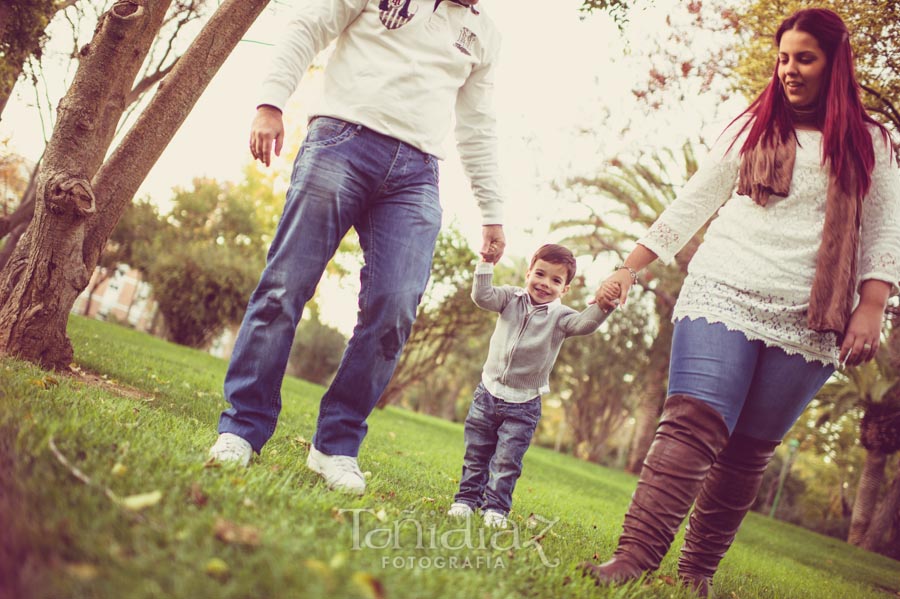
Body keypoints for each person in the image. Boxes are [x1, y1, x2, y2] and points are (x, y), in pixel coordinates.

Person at [579, 8, 900, 596]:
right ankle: (633, 557)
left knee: (749, 449)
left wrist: (872, 303)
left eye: (804, 58)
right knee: (693, 421)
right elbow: (691, 202)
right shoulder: (752, 125)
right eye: (783, 59)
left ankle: (697, 572)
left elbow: (883, 231)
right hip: (724, 286)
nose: (788, 71)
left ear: (835, 63)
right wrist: (629, 267)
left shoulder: (873, 141)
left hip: (812, 316)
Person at [208, 0, 507, 496]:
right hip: (341, 141)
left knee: (395, 306)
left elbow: (477, 124)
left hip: (417, 174)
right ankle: (242, 428)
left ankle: (335, 446)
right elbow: (308, 25)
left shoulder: (484, 34)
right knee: (285, 287)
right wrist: (270, 102)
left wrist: (492, 209)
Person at [446, 244, 618, 528]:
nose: (545, 284)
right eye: (540, 274)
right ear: (528, 272)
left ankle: (496, 510)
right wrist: (486, 263)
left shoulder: (561, 318)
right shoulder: (509, 298)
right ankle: (466, 500)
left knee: (506, 462)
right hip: (487, 394)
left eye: (556, 280)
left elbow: (585, 324)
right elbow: (481, 296)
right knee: (476, 453)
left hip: (523, 404)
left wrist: (603, 306)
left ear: (565, 289)